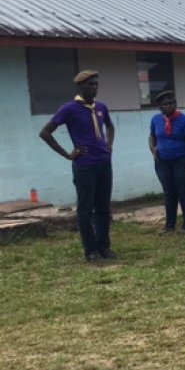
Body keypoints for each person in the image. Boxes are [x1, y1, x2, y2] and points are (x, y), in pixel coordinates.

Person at [39, 69, 116, 263]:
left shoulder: (101, 107)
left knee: (103, 208)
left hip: (103, 163)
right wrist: (68, 154)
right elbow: (45, 133)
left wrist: (109, 145)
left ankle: (104, 246)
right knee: (85, 209)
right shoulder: (69, 108)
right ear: (80, 87)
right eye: (90, 84)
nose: (94, 88)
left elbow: (110, 126)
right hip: (85, 166)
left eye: (96, 84)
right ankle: (91, 251)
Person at [148, 91, 185, 234]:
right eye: (165, 104)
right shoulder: (156, 119)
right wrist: (153, 149)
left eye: (171, 103)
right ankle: (170, 225)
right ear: (160, 107)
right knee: (169, 193)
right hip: (162, 162)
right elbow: (152, 136)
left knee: (183, 191)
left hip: (181, 160)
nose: (169, 106)